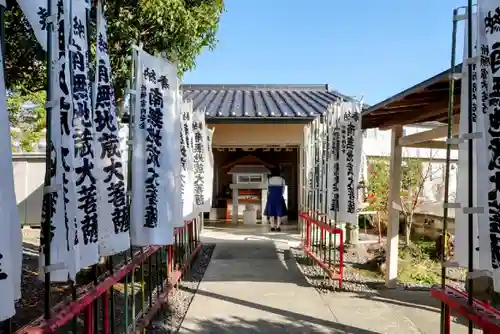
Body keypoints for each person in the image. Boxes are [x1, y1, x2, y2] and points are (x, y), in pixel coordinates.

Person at [264, 167, 287, 232]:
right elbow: (283, 190)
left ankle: (272, 227)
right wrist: (279, 194)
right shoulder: (282, 180)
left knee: (271, 213)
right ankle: (278, 227)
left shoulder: (269, 180)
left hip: (271, 197)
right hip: (279, 197)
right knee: (279, 213)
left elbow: (268, 190)